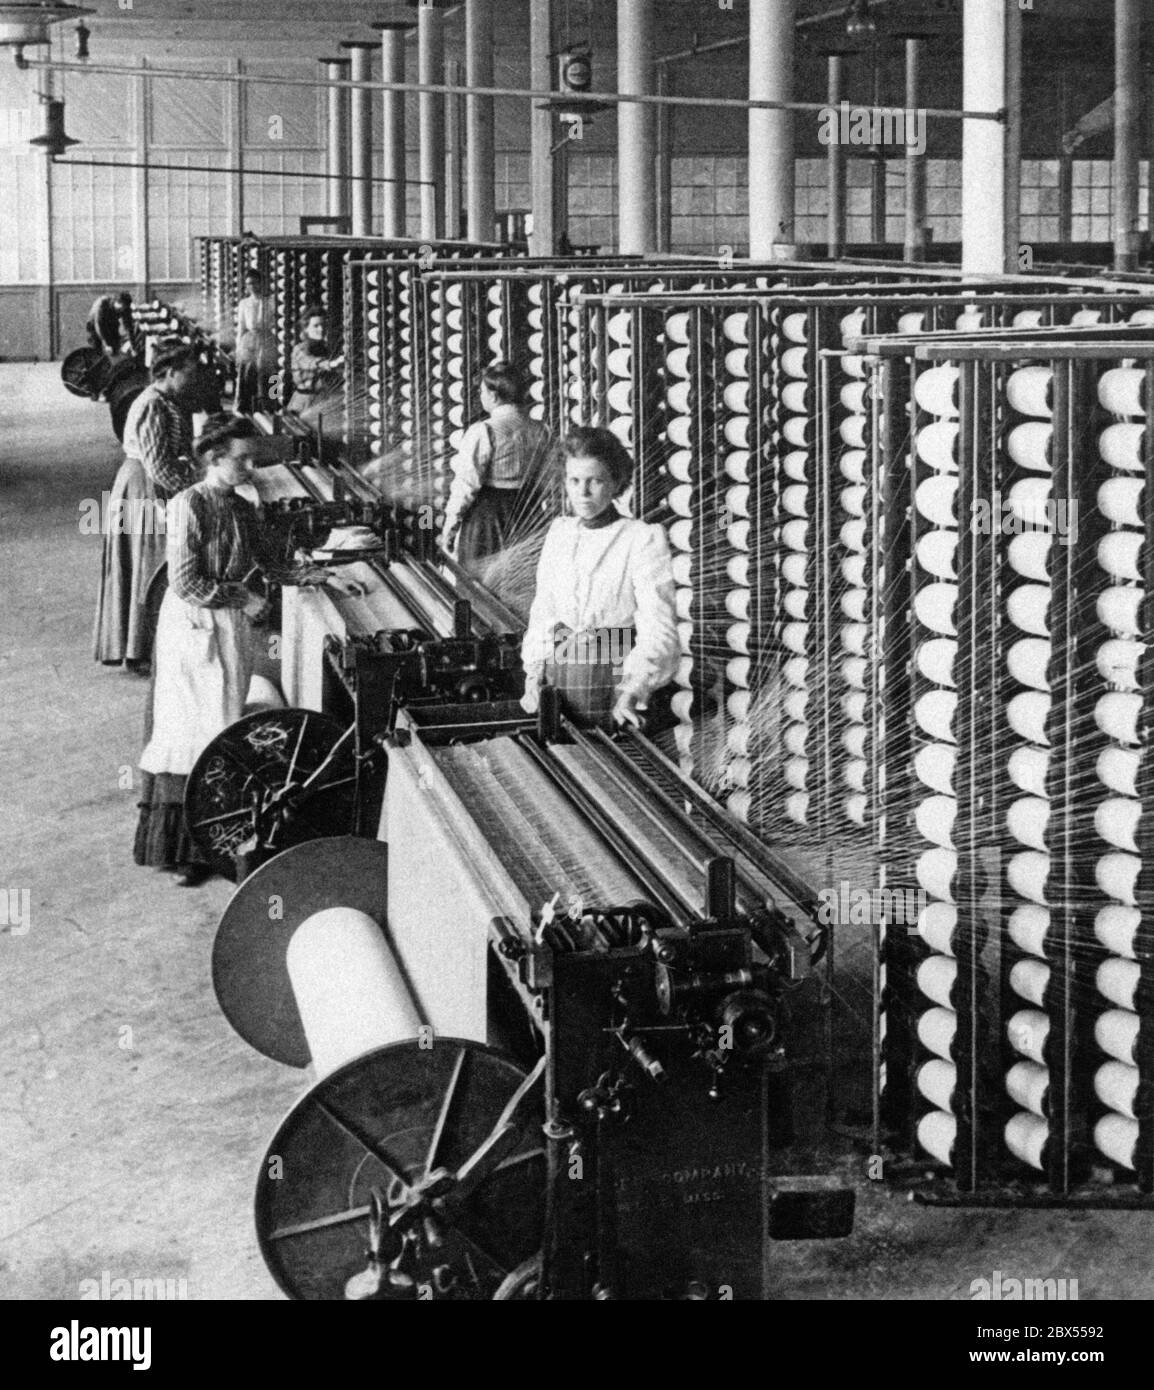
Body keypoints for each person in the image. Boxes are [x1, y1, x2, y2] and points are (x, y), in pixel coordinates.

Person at [134, 415, 274, 886]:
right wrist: (244, 597)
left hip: (227, 623)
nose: (251, 466)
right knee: (191, 726)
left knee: (223, 722)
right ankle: (182, 849)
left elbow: (267, 558)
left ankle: (215, 842)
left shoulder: (241, 504)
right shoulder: (186, 504)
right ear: (214, 459)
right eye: (242, 459)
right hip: (194, 623)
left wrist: (321, 571)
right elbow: (186, 580)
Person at [520, 426, 680, 731]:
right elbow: (544, 611)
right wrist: (534, 673)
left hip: (616, 683)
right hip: (560, 680)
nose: (583, 493)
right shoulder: (560, 532)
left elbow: (659, 628)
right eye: (574, 481)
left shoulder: (641, 538)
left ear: (616, 482)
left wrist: (633, 689)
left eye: (595, 481)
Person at [93, 340, 201, 671]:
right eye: (189, 373)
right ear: (169, 373)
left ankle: (139, 647)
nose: (193, 379)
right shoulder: (153, 404)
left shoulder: (161, 398)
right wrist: (197, 486)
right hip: (143, 486)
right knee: (150, 565)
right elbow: (159, 467)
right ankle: (142, 651)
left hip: (141, 482)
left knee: (143, 563)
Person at [441, 361, 555, 573]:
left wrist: (449, 528)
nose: (481, 396)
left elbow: (465, 486)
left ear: (493, 395)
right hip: (528, 516)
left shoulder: (483, 431)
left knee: (482, 586)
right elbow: (549, 481)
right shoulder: (542, 430)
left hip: (488, 520)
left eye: (482, 391)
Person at [286, 306, 344, 430]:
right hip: (304, 404)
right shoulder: (300, 349)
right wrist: (331, 364)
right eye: (316, 326)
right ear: (306, 329)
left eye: (323, 325)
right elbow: (310, 362)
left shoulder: (325, 349)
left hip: (322, 401)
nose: (321, 329)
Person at [233, 269, 276, 414]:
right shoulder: (244, 303)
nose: (252, 286)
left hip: (267, 339)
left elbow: (276, 323)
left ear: (261, 283)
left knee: (270, 373)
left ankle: (272, 405)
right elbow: (241, 327)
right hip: (250, 341)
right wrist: (239, 349)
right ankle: (247, 408)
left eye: (254, 283)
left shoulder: (271, 301)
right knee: (247, 373)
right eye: (249, 284)